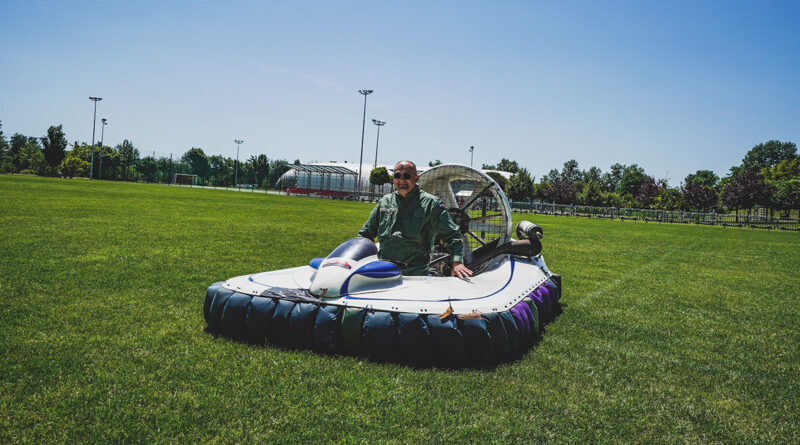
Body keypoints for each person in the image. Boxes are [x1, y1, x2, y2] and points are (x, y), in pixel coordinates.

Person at [358, 160, 473, 279]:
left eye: (406, 176)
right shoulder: (384, 202)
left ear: (416, 178)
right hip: (384, 271)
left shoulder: (431, 204)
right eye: (397, 176)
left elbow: (451, 234)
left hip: (415, 276)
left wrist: (457, 262)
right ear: (394, 178)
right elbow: (366, 233)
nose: (401, 180)